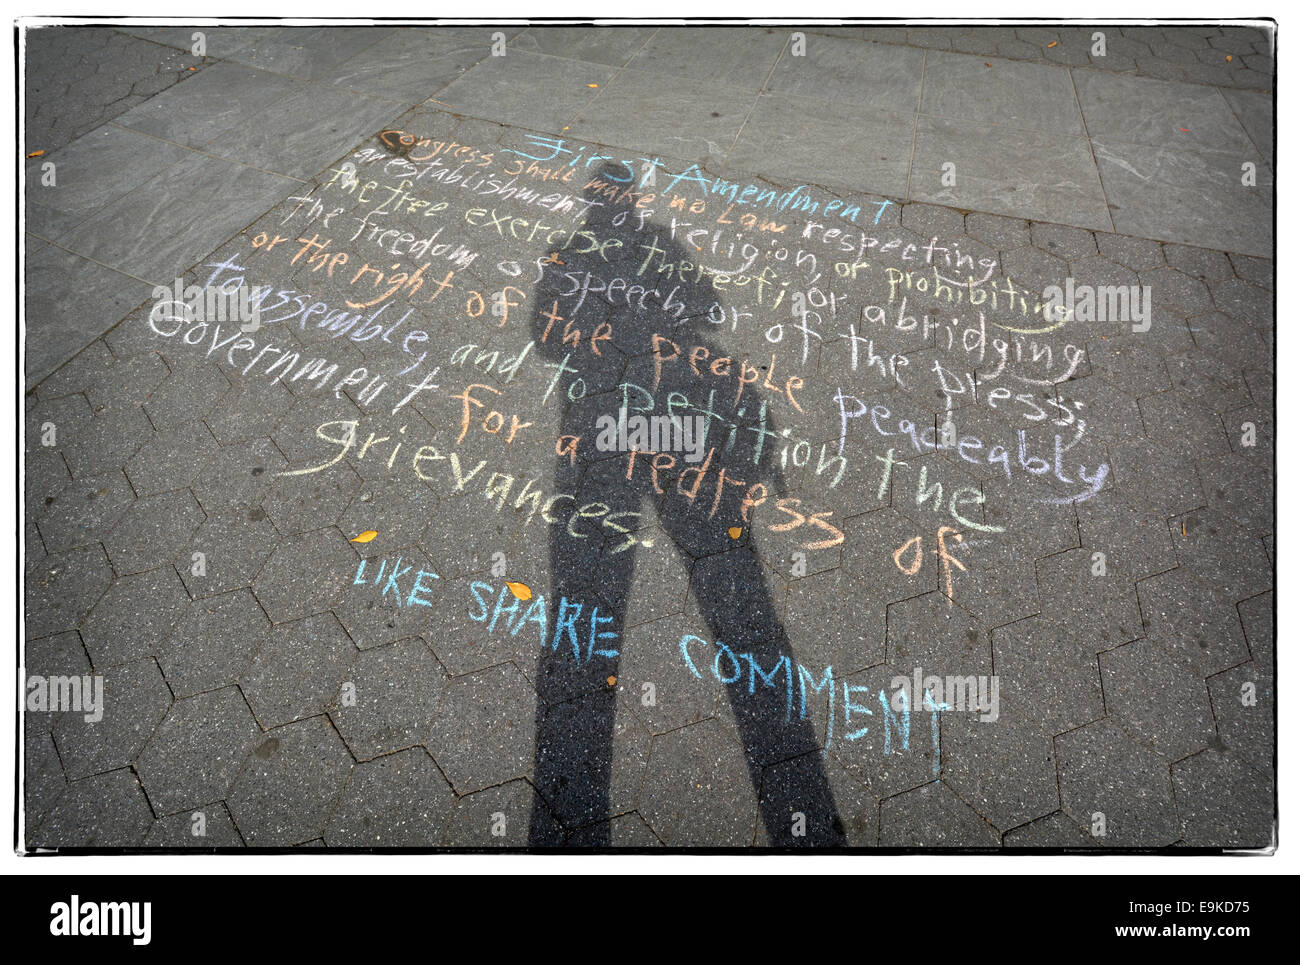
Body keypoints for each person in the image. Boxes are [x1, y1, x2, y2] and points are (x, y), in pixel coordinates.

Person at [525, 162, 846, 847]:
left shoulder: (574, 252)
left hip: (621, 422)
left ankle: (572, 777)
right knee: (728, 587)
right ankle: (798, 797)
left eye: (609, 196)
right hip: (650, 419)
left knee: (603, 592)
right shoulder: (610, 249)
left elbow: (550, 337)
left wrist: (615, 333)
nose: (609, 205)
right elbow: (703, 309)